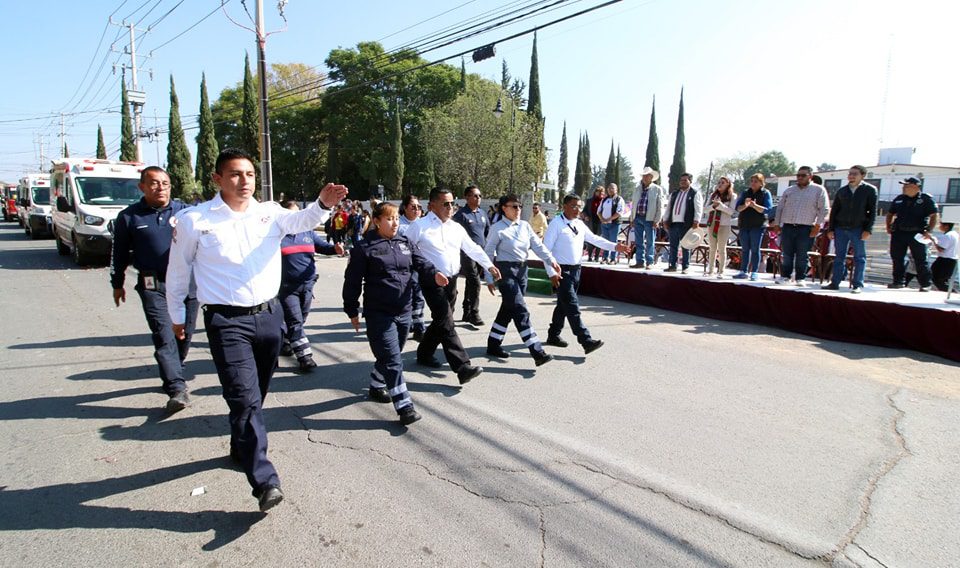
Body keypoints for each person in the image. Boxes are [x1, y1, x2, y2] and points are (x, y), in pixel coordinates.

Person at [166, 148, 348, 512]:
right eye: (235, 174)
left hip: (268, 318)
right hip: (226, 321)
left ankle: (241, 442)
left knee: (256, 394)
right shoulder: (193, 221)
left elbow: (304, 221)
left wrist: (324, 204)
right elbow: (178, 271)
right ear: (217, 179)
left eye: (249, 174)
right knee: (244, 398)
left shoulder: (270, 214)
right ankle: (265, 480)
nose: (244, 181)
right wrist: (176, 317)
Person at [343, 202, 448, 425]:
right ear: (377, 220)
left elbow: (420, 262)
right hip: (379, 313)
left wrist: (434, 274)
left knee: (393, 354)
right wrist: (351, 309)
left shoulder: (404, 242)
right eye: (389, 219)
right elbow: (352, 281)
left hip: (404, 310)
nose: (394, 223)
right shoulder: (364, 248)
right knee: (392, 359)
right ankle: (404, 405)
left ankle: (376, 384)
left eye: (397, 219)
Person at [111, 166, 198, 412]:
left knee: (185, 335)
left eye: (165, 183)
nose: (160, 188)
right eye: (154, 183)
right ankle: (176, 388)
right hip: (153, 284)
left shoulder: (185, 212)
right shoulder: (129, 217)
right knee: (163, 334)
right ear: (142, 187)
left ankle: (174, 370)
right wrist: (117, 284)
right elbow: (118, 255)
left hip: (187, 284)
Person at [404, 188, 502, 384]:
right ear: (432, 205)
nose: (450, 208)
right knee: (447, 320)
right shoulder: (419, 227)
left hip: (452, 280)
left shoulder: (456, 227)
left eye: (452, 203)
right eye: (445, 204)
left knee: (441, 320)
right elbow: (406, 252)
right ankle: (462, 366)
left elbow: (472, 248)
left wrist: (489, 265)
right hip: (431, 281)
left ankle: (424, 353)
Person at [543, 194, 630, 353]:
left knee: (563, 305)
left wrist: (615, 247)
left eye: (579, 206)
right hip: (561, 271)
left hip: (576, 270)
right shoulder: (556, 224)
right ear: (564, 207)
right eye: (573, 206)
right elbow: (545, 251)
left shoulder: (580, 224)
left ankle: (553, 335)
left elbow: (595, 239)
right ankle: (586, 340)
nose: (577, 209)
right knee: (572, 306)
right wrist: (551, 273)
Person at [484, 194, 561, 366]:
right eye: (514, 206)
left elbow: (538, 246)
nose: (518, 209)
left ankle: (493, 343)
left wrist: (551, 260)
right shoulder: (497, 228)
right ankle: (537, 351)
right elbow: (487, 253)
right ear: (504, 208)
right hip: (505, 271)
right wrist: (489, 277)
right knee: (520, 309)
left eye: (519, 206)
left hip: (522, 270)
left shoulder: (525, 226)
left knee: (508, 308)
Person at [278, 200, 343, 372]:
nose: (296, 218)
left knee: (301, 318)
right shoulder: (277, 236)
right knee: (295, 321)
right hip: (286, 288)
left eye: (298, 214)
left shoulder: (306, 230)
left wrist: (335, 249)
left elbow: (322, 247)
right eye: (291, 214)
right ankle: (304, 357)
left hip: (307, 284)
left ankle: (285, 342)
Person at [822, 165, 878, 293]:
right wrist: (831, 229)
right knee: (838, 257)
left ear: (862, 175)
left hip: (858, 228)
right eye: (850, 174)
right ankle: (835, 282)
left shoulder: (869, 190)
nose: (851, 176)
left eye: (855, 174)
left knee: (859, 257)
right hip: (841, 228)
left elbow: (873, 211)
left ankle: (857, 284)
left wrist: (868, 229)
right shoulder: (842, 191)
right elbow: (835, 210)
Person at [772, 166, 829, 286]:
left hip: (806, 227)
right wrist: (777, 224)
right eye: (798, 175)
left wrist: (817, 226)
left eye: (803, 175)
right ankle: (785, 276)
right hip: (788, 226)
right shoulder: (789, 190)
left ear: (810, 176)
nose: (800, 178)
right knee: (787, 254)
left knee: (802, 255)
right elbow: (780, 208)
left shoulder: (818, 190)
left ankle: (800, 278)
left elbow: (823, 209)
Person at [885, 176, 939, 291]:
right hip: (899, 232)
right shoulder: (899, 199)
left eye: (907, 185)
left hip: (917, 233)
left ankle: (925, 284)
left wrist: (929, 230)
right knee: (897, 258)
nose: (904, 187)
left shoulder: (925, 199)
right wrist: (888, 226)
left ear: (916, 186)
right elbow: (890, 213)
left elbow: (934, 215)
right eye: (903, 185)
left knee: (920, 259)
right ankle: (898, 281)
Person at [452, 185, 490, 325]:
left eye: (479, 196)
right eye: (475, 195)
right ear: (467, 197)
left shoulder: (482, 214)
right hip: (466, 254)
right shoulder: (461, 215)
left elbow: (487, 232)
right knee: (475, 282)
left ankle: (466, 311)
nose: (478, 198)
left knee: (471, 283)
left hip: (480, 254)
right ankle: (474, 313)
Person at [733, 174, 773, 281]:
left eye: (756, 181)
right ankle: (743, 271)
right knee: (745, 249)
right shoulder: (746, 193)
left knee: (755, 249)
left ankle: (754, 272)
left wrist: (754, 206)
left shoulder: (765, 193)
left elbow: (768, 209)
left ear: (761, 183)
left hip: (758, 225)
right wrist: (745, 205)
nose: (753, 183)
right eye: (752, 181)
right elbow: (738, 208)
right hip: (744, 224)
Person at [398, 194, 427, 341]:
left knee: (418, 296)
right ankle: (417, 326)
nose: (416, 210)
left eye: (419, 207)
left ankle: (416, 325)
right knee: (413, 295)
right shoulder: (399, 226)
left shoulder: (422, 223)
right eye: (413, 207)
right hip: (406, 266)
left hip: (421, 265)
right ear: (404, 208)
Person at [664, 173, 703, 274]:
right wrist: (665, 220)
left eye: (685, 180)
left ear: (690, 181)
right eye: (681, 180)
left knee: (686, 246)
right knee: (673, 245)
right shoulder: (674, 193)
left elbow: (698, 209)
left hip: (686, 224)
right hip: (673, 223)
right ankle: (672, 265)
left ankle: (685, 267)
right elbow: (668, 208)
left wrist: (696, 221)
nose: (682, 182)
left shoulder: (694, 193)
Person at [628, 167, 666, 269]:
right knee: (638, 241)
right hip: (638, 217)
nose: (644, 177)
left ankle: (649, 262)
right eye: (644, 175)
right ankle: (639, 261)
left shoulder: (657, 189)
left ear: (651, 177)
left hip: (649, 218)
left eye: (647, 175)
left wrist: (657, 220)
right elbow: (634, 204)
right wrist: (632, 218)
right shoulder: (637, 188)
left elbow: (660, 206)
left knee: (650, 241)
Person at [704, 176, 737, 278]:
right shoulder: (712, 195)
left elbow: (731, 211)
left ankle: (721, 271)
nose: (720, 184)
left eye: (723, 182)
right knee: (712, 248)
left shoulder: (732, 196)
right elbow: (705, 209)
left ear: (728, 184)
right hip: (712, 224)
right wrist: (713, 206)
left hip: (724, 225)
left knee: (722, 249)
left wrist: (721, 205)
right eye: (719, 182)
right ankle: (710, 271)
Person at [597, 183, 625, 264]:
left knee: (613, 241)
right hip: (604, 224)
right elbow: (598, 211)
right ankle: (604, 258)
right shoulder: (604, 199)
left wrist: (609, 219)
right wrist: (602, 219)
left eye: (612, 188)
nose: (610, 190)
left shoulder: (619, 199)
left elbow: (619, 212)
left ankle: (613, 259)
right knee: (605, 241)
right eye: (609, 188)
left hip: (614, 224)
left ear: (616, 190)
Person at [932, 222, 958, 292]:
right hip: (950, 260)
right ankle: (951, 292)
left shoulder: (948, 235)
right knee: (940, 279)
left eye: (941, 225)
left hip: (945, 260)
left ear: (946, 226)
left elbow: (941, 249)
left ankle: (953, 293)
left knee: (939, 280)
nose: (939, 226)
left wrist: (934, 240)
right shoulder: (954, 234)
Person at [585, 186, 605, 262]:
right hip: (591, 222)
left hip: (601, 223)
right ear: (595, 192)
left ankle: (597, 257)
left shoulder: (604, 201)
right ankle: (590, 256)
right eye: (599, 191)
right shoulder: (589, 201)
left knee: (599, 239)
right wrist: (586, 216)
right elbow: (585, 210)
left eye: (602, 192)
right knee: (590, 239)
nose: (600, 193)